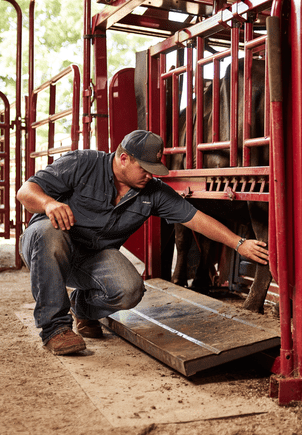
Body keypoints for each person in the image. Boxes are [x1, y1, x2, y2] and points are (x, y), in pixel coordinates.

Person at [17, 130, 269, 355]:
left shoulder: (153, 191)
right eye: (145, 168)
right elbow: (25, 191)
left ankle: (82, 309)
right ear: (124, 158)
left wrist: (239, 243)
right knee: (49, 231)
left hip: (91, 257)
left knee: (130, 289)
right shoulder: (82, 162)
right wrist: (49, 203)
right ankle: (55, 329)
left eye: (154, 169)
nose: (150, 176)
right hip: (48, 249)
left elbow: (195, 219)